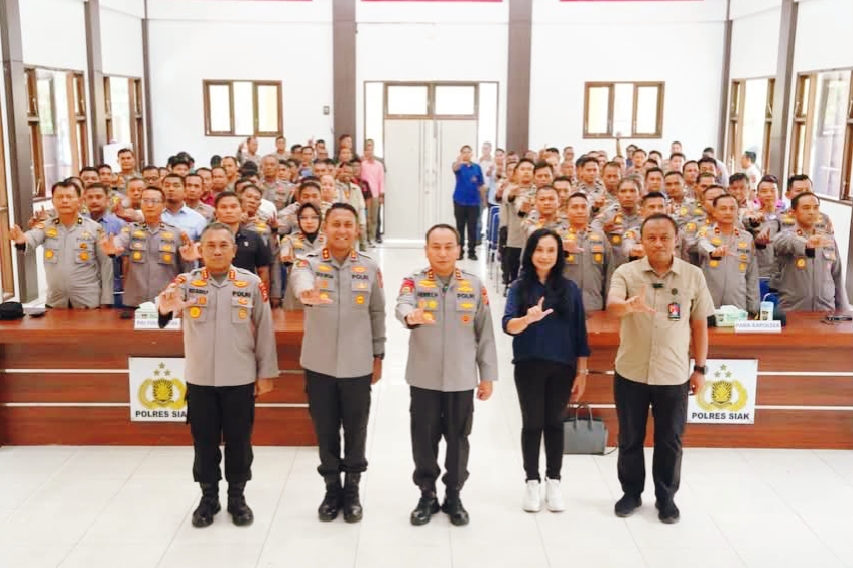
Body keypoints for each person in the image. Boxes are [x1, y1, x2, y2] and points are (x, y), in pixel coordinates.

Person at [156, 222, 278, 528]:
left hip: (239, 379)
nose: (217, 251)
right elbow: (166, 308)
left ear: (234, 250)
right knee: (204, 443)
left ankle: (237, 497)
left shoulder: (251, 284)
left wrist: (265, 373)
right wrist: (165, 308)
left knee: (240, 443)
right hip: (200, 381)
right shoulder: (187, 281)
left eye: (224, 245)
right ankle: (208, 497)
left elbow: (265, 330)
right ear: (201, 250)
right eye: (210, 246)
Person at [606, 213, 715, 525]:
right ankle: (631, 493)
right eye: (650, 238)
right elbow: (613, 304)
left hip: (673, 374)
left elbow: (700, 326)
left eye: (664, 237)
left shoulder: (693, 275)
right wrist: (627, 306)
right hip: (631, 372)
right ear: (641, 241)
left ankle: (666, 498)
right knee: (630, 438)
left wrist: (701, 369)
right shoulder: (626, 272)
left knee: (670, 440)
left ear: (676, 240)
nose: (658, 243)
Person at [395, 224, 497, 527]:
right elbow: (402, 304)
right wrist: (409, 315)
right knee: (423, 439)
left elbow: (485, 333)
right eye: (436, 247)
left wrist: (487, 375)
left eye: (448, 246)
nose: (442, 253)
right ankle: (427, 494)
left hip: (461, 378)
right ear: (426, 250)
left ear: (458, 249)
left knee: (458, 439)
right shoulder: (413, 281)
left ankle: (454, 494)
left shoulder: (474, 285)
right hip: (424, 377)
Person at [289, 203, 386, 524]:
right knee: (326, 429)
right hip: (319, 364)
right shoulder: (309, 262)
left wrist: (379, 354)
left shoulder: (369, 267)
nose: (342, 230)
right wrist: (307, 292)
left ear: (356, 229)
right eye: (336, 224)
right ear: (325, 228)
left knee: (356, 429)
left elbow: (377, 312)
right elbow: (300, 279)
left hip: (358, 363)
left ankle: (352, 490)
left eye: (348, 225)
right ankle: (332, 489)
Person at [502, 228, 590, 513]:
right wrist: (526, 319)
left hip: (562, 366)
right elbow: (508, 326)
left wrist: (582, 371)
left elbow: (579, 333)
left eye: (551, 250)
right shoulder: (519, 287)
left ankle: (554, 481)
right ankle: (532, 481)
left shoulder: (570, 289)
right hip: (528, 364)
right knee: (532, 424)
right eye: (539, 249)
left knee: (554, 423)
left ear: (559, 254)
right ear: (530, 252)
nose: (545, 256)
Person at [9, 181, 113, 309]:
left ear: (80, 201)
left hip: (88, 302)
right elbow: (31, 237)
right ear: (53, 201)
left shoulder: (94, 228)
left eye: (69, 197)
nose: (64, 201)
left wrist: (106, 300)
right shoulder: (46, 226)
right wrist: (21, 240)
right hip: (55, 301)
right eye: (59, 197)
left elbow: (106, 264)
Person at [100, 186, 189, 308]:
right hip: (135, 302)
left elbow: (185, 270)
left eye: (154, 201)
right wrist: (111, 249)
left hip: (166, 302)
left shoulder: (176, 234)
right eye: (145, 201)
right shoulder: (130, 229)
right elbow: (118, 243)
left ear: (163, 205)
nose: (149, 205)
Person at [772, 192, 849, 312]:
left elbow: (837, 276)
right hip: (793, 311)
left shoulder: (827, 239)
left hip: (825, 311)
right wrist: (806, 244)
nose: (812, 212)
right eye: (806, 208)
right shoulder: (784, 236)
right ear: (793, 212)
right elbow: (786, 242)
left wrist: (844, 310)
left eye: (816, 207)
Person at [280, 202, 326, 309]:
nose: (309, 221)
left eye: (314, 217)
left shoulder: (328, 240)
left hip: (323, 294)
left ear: (320, 220)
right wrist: (287, 258)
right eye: (304, 218)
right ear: (298, 220)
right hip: (297, 297)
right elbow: (285, 256)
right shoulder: (289, 240)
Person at [452, 145, 486, 261]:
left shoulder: (477, 168)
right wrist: (459, 161)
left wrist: (484, 200)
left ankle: (472, 252)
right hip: (459, 201)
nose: (466, 154)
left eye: (468, 152)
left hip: (474, 202)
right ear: (461, 154)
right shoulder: (458, 166)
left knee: (472, 227)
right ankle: (460, 252)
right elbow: (455, 168)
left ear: (472, 154)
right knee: (460, 227)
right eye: (464, 152)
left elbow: (481, 185)